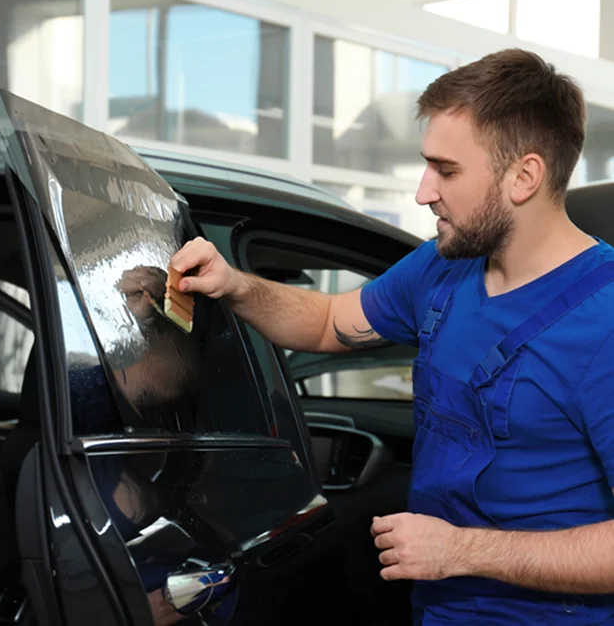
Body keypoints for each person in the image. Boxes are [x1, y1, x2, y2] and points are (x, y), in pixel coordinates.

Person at [169, 48, 614, 624]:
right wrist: (236, 286)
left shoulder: (603, 323)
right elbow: (330, 321)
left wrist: (460, 550)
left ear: (524, 176)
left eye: (447, 170)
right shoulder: (443, 268)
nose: (423, 191)